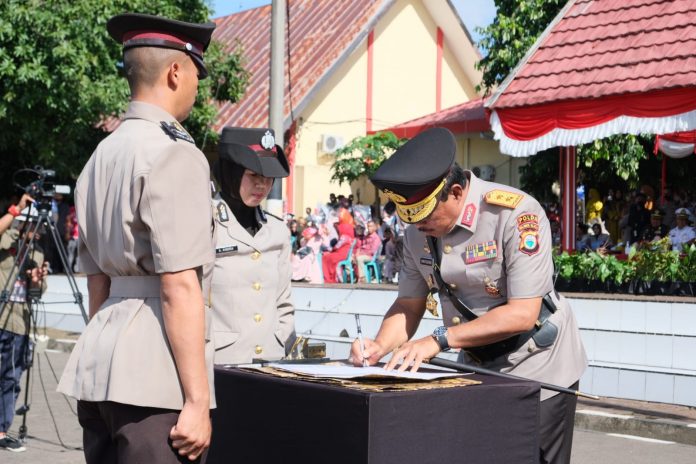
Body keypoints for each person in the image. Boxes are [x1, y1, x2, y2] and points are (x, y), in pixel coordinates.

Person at [350, 128, 587, 464]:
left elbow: (523, 313)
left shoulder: (515, 214)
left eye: (426, 216)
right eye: (411, 219)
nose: (420, 227)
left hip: (538, 364)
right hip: (477, 364)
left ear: (457, 192)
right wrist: (379, 346)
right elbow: (408, 303)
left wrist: (439, 339)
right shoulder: (419, 231)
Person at [57, 13, 217, 463]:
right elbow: (179, 284)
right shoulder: (174, 153)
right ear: (174, 72)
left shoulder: (100, 155)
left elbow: (97, 281)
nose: (196, 87)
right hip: (157, 376)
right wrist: (197, 401)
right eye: (195, 76)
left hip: (102, 364)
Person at [210, 127, 295, 364]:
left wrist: (282, 337)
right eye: (253, 175)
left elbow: (283, 301)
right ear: (231, 173)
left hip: (271, 359)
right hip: (219, 361)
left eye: (268, 178)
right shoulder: (204, 223)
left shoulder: (276, 230)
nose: (262, 185)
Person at [0, 195, 48, 453]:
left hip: (20, 322)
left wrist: (37, 280)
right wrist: (17, 208)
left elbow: (38, 294)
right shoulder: (7, 239)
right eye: (35, 226)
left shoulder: (38, 253)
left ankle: (2, 429)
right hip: (1, 315)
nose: (38, 231)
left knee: (12, 377)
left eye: (40, 227)